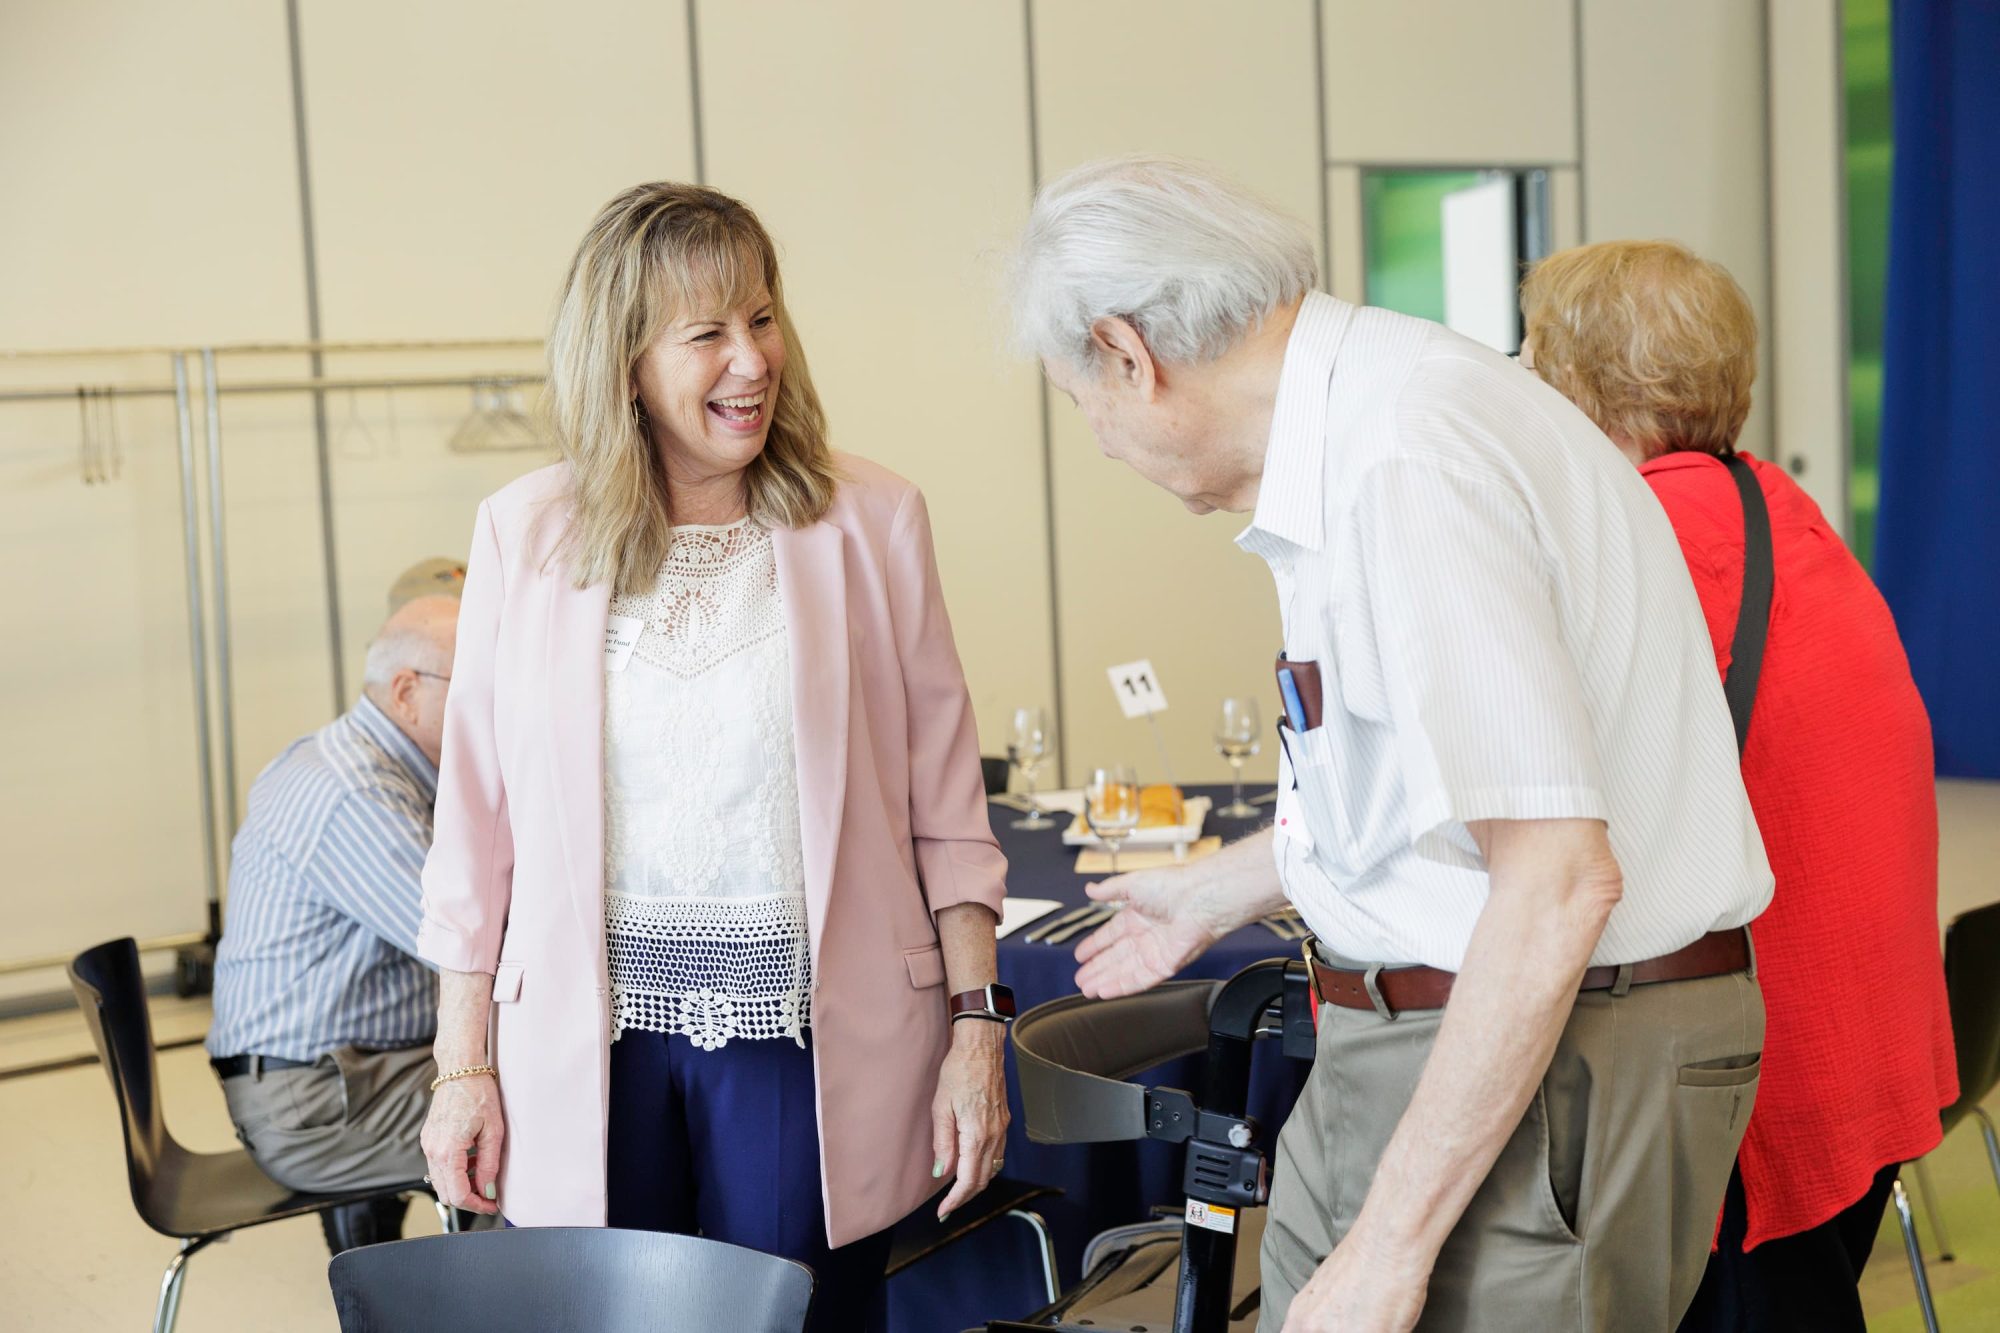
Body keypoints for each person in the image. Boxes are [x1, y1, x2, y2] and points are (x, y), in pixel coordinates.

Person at [1009, 155, 1774, 1333]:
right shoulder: (1368, 422)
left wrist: (1388, 1247)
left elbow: (1557, 881)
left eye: (1080, 402)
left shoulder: (1406, 460)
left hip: (1551, 1042)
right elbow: (1420, 792)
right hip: (1435, 1034)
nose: (1100, 439)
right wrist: (1216, 890)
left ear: (1125, 353)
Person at [416, 182, 1011, 1333]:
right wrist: (462, 1067)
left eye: (763, 318)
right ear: (625, 364)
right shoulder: (522, 534)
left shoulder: (873, 520)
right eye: (706, 334)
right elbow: (474, 834)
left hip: (807, 1038)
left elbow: (946, 805)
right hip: (586, 1041)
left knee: (798, 1322)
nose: (751, 360)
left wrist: (976, 1028)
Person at [1519, 239, 1957, 1333]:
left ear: (1580, 380)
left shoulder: (1636, 544)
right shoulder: (1772, 509)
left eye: (1532, 357)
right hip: (1859, 1041)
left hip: (1754, 1074)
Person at [206, 594, 460, 1252]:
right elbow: (466, 947)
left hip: (341, 1071)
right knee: (526, 1123)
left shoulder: (363, 759)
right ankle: (505, 1295)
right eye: (478, 680)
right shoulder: (357, 792)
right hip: (315, 1102)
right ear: (407, 691)